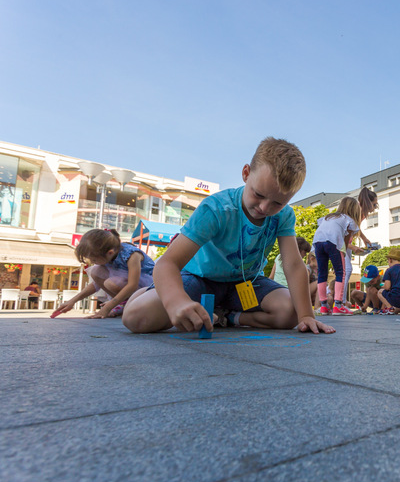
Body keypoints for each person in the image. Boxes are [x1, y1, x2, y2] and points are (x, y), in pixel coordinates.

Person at [122, 137, 334, 335]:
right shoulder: (216, 209)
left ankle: (228, 317)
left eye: (277, 203)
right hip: (199, 279)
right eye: (258, 194)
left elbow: (294, 265)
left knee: (291, 312)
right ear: (246, 173)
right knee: (137, 318)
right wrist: (176, 302)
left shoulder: (284, 216)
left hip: (244, 283)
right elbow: (167, 263)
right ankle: (145, 293)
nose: (264, 208)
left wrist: (306, 315)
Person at [53, 229, 155, 318]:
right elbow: (95, 284)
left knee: (110, 283)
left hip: (148, 288)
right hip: (130, 286)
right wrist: (72, 301)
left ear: (110, 252)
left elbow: (132, 285)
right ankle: (122, 303)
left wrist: (107, 308)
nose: (92, 262)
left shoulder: (132, 255)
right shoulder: (108, 256)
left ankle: (126, 303)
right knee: (95, 271)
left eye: (94, 259)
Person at [312, 197, 361, 316]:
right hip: (333, 242)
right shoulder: (349, 220)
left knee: (322, 273)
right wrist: (341, 257)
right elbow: (344, 242)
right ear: (354, 209)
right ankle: (338, 306)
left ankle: (323, 306)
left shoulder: (329, 217)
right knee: (341, 272)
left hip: (318, 242)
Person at [342, 187, 379, 306]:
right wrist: (352, 247)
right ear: (368, 202)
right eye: (374, 204)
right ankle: (341, 301)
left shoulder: (362, 213)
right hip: (342, 243)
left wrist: (364, 238)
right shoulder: (356, 210)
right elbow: (342, 235)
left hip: (346, 243)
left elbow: (356, 228)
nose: (375, 207)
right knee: (346, 270)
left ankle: (342, 300)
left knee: (346, 270)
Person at [376, 247, 400, 313]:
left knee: (380, 292)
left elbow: (387, 287)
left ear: (390, 260)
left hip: (396, 299)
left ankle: (390, 308)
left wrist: (383, 286)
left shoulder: (389, 270)